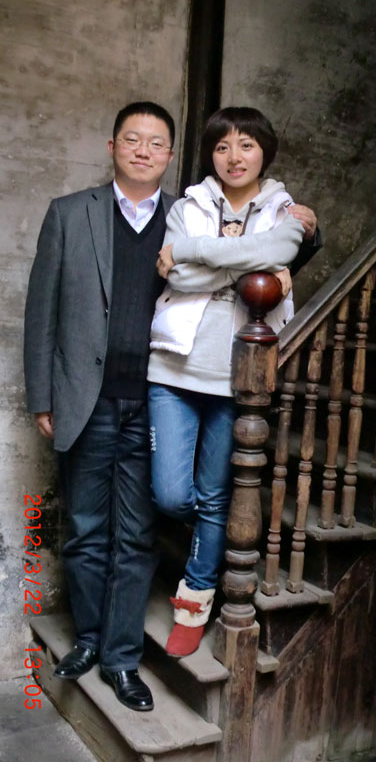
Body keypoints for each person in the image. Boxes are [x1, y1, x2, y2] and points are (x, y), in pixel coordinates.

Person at [147, 106, 320, 658]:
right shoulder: (189, 205)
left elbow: (277, 250)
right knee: (173, 494)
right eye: (222, 146)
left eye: (246, 145)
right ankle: (208, 531)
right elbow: (178, 278)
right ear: (210, 155)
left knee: (217, 494)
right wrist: (250, 264)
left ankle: (194, 599)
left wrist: (193, 250)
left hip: (238, 374)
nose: (234, 157)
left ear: (264, 152)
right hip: (174, 367)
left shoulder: (285, 210)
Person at [24, 101, 177, 711]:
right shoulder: (69, 213)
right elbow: (41, 311)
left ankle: (120, 659)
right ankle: (88, 639)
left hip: (154, 403)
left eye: (156, 142)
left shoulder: (186, 220)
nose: (143, 150)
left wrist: (303, 227)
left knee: (136, 537)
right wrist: (43, 396)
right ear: (113, 147)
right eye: (132, 139)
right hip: (84, 400)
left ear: (169, 156)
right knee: (86, 531)